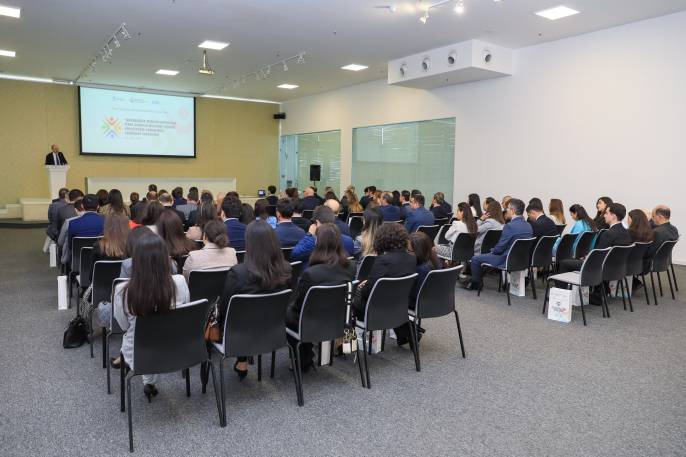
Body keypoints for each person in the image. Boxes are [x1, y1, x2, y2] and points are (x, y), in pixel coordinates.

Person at [113, 233, 190, 399]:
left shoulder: (122, 290)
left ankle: (147, 380)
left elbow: (124, 326)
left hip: (138, 354)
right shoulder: (180, 282)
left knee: (135, 335)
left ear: (136, 260)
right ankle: (149, 382)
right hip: (176, 349)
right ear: (165, 258)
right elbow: (184, 316)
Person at [217, 220, 291, 379]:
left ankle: (242, 360)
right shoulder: (285, 269)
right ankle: (242, 361)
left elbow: (225, 309)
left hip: (238, 333)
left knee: (238, 315)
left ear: (249, 244)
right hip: (274, 329)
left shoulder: (238, 273)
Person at [286, 223, 355, 370]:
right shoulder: (351, 267)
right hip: (339, 318)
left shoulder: (311, 273)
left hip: (311, 322)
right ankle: (346, 347)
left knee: (289, 313)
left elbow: (300, 305)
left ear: (317, 242)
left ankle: (302, 358)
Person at [464, 198, 533, 290]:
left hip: (505, 259)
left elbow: (500, 248)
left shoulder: (510, 226)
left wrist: (492, 250)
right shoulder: (528, 226)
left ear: (512, 211)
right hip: (522, 261)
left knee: (475, 259)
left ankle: (475, 283)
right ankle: (475, 281)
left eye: (508, 208)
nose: (506, 210)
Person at [352, 223, 416, 321]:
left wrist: (363, 287)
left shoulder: (383, 260)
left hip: (373, 310)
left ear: (382, 239)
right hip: (397, 305)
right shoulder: (412, 259)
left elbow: (367, 293)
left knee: (350, 293)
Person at [394, 231, 441, 346]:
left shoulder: (420, 269)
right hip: (437, 301)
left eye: (409, 251)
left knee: (385, 300)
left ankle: (410, 332)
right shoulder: (434, 261)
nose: (406, 253)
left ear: (419, 252)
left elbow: (411, 293)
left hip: (418, 301)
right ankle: (407, 333)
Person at [558, 202, 631, 274]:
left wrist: (586, 258)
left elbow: (597, 256)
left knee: (563, 263)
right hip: (617, 269)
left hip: (600, 268)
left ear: (613, 216)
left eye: (606, 213)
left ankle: (560, 282)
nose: (604, 215)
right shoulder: (626, 232)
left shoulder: (609, 234)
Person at [291, 206, 356, 265]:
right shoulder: (349, 240)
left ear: (317, 222)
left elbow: (294, 255)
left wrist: (309, 234)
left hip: (315, 273)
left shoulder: (314, 241)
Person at [65, 194, 105, 265]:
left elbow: (70, 245)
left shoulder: (73, 224)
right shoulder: (107, 222)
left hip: (78, 262)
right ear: (98, 206)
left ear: (82, 206)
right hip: (101, 260)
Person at [89, 214, 130, 282]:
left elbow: (91, 277)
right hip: (124, 287)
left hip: (100, 287)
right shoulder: (132, 247)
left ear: (106, 227)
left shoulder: (98, 247)